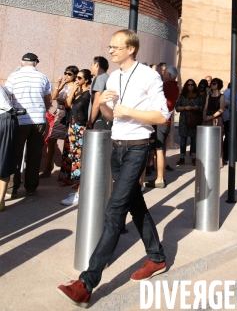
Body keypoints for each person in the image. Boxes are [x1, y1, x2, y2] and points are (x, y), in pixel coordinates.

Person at [57, 29, 170, 306]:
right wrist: (105, 105)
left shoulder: (148, 75)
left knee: (114, 210)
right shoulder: (114, 77)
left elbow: (162, 116)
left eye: (116, 46)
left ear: (131, 48)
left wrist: (128, 111)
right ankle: (156, 258)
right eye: (110, 47)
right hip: (116, 147)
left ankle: (87, 283)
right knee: (136, 205)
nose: (111, 51)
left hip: (137, 148)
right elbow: (112, 116)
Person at [5, 52, 52, 198]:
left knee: (15, 154)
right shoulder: (43, 77)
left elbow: (6, 97)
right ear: (36, 63)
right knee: (34, 154)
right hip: (38, 120)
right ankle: (31, 188)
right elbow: (48, 100)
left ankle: (12, 189)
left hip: (19, 120)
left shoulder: (14, 76)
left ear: (21, 63)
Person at [40, 65, 79, 178]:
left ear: (75, 75)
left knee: (69, 144)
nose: (66, 76)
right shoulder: (64, 86)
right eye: (65, 73)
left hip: (67, 116)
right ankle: (48, 168)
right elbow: (52, 97)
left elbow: (69, 103)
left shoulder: (76, 87)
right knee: (51, 141)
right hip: (58, 115)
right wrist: (58, 86)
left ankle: (68, 171)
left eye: (69, 74)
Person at [145, 65, 179, 187]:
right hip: (167, 121)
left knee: (158, 150)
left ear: (169, 75)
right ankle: (161, 177)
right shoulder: (175, 87)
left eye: (165, 73)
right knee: (162, 149)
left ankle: (159, 179)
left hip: (161, 121)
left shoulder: (166, 86)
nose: (163, 74)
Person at [59, 69, 91, 191]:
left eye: (80, 78)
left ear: (86, 80)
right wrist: (73, 90)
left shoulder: (89, 93)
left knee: (79, 154)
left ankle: (80, 181)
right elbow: (67, 104)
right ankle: (68, 178)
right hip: (71, 125)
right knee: (69, 151)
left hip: (80, 126)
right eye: (76, 77)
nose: (77, 80)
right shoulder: (78, 91)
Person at [175, 79, 202, 166]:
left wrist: (197, 107)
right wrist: (185, 108)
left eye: (192, 85)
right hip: (184, 120)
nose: (190, 86)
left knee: (194, 140)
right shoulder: (182, 96)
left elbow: (202, 107)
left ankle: (193, 157)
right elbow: (177, 107)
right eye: (189, 85)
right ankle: (182, 157)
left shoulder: (197, 96)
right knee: (183, 140)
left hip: (194, 120)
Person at [0, 84, 18, 211]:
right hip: (6, 118)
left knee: (3, 160)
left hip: (4, 119)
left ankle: (0, 200)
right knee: (3, 159)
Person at [203, 78, 225, 168]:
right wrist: (204, 116)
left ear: (218, 85)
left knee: (218, 139)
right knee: (208, 138)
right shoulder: (209, 95)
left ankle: (220, 159)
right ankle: (209, 157)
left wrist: (212, 117)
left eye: (214, 84)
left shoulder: (222, 96)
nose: (212, 85)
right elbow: (205, 106)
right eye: (211, 83)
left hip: (217, 118)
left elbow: (221, 109)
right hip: (208, 117)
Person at [88, 56, 110, 129]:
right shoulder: (107, 77)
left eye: (91, 64)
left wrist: (90, 122)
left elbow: (97, 102)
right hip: (107, 120)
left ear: (97, 65)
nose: (90, 67)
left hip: (100, 120)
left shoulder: (99, 78)